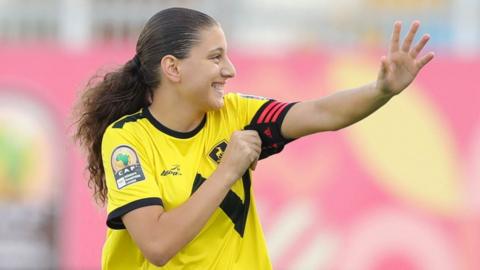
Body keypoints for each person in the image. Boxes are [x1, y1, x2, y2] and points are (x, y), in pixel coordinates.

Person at [73, 7, 434, 270]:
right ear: (173, 68)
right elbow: (157, 244)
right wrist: (227, 171)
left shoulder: (237, 114)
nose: (230, 70)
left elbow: (323, 113)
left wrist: (382, 90)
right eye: (216, 57)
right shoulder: (127, 141)